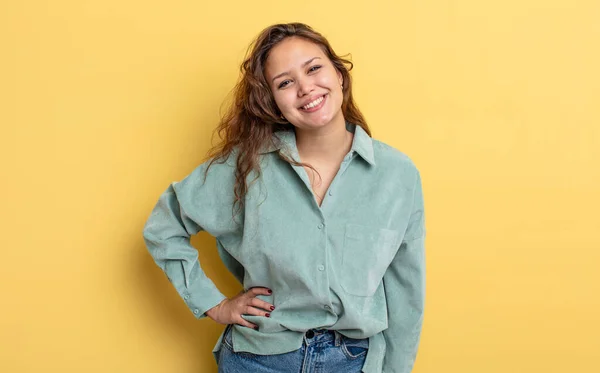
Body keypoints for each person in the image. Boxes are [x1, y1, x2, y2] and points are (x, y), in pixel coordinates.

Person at [142, 22, 426, 373]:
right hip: (257, 359)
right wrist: (213, 304)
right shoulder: (246, 167)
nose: (306, 88)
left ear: (339, 75)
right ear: (273, 102)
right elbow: (164, 227)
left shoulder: (397, 174)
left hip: (353, 362)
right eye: (285, 83)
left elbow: (405, 290)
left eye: (314, 68)